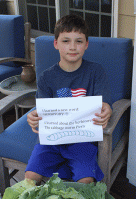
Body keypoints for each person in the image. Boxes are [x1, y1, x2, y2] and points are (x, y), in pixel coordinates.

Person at [25, 14, 112, 185]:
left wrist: (107, 109)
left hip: (82, 139)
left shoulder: (95, 72)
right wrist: (34, 117)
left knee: (86, 180)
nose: (72, 47)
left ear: (86, 44)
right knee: (30, 177)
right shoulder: (46, 77)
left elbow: (104, 105)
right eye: (66, 41)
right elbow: (41, 112)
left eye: (78, 41)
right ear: (56, 44)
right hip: (52, 139)